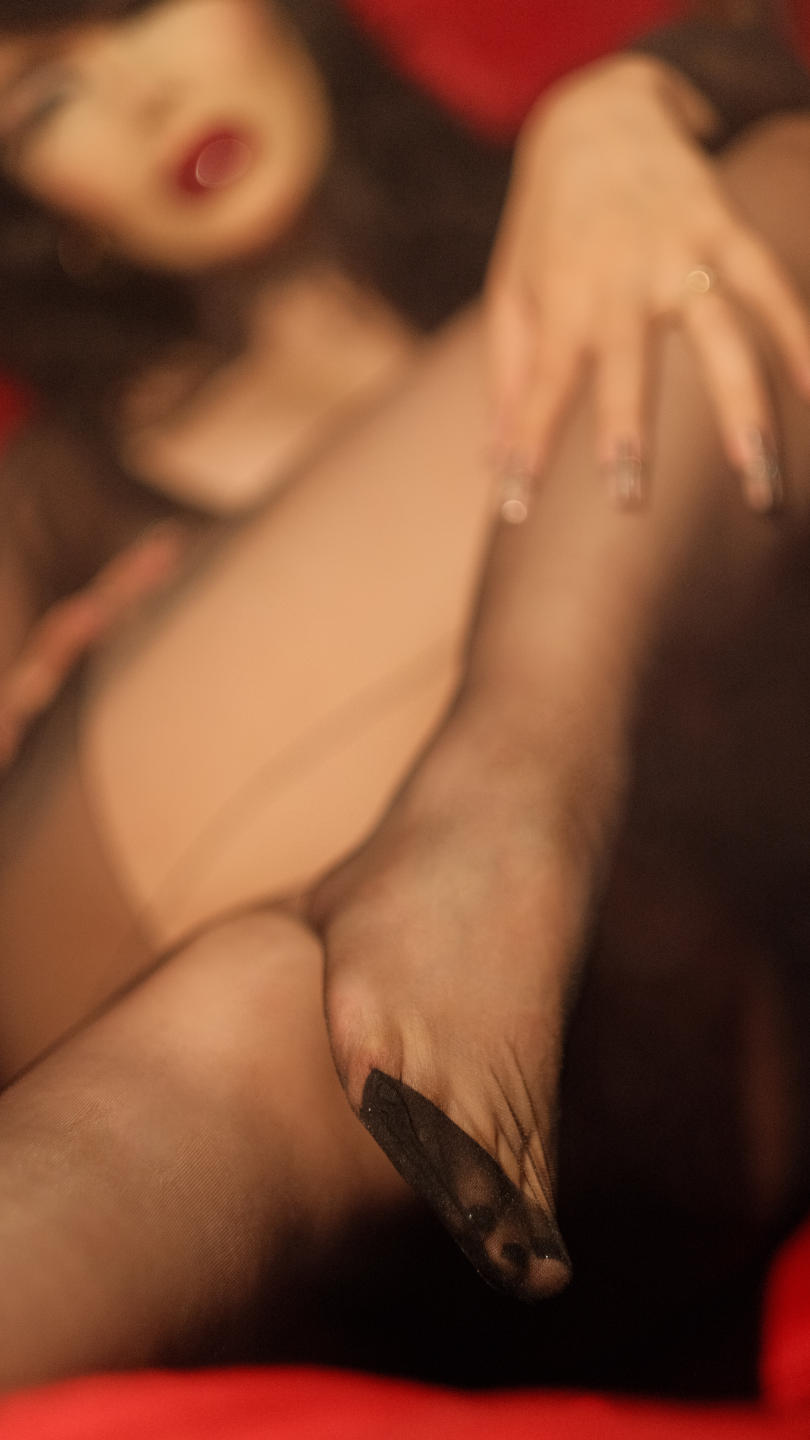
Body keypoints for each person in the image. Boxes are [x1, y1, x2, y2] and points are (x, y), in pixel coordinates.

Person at [0, 0, 807, 1387]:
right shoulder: (50, 500)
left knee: (243, 1029)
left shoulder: (574, 205)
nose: (140, 100)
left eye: (140, 8)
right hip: (125, 910)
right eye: (46, 104)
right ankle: (505, 797)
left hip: (620, 1059)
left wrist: (631, 101)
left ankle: (483, 831)